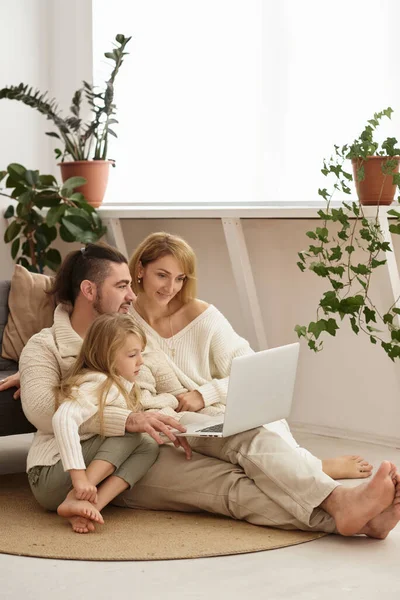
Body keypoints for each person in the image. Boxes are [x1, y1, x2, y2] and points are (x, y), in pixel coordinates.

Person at [2, 242, 400, 538]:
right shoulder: (45, 345)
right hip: (99, 463)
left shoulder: (133, 333)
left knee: (245, 433)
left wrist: (194, 415)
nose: (130, 295)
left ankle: (346, 506)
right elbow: (41, 410)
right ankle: (346, 518)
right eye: (123, 286)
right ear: (89, 291)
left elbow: (170, 390)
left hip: (155, 434)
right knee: (225, 486)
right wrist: (132, 418)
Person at [33, 313, 161, 534]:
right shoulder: (99, 382)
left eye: (141, 353)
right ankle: (78, 496)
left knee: (148, 445)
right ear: (108, 358)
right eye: (132, 355)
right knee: (130, 432)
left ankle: (89, 506)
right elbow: (63, 419)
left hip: (57, 484)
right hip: (48, 475)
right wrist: (80, 478)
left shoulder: (119, 384)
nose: (140, 361)